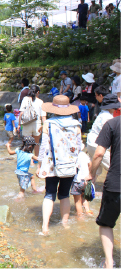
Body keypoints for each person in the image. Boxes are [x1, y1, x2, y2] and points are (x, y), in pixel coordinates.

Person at [36, 95, 82, 235]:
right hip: (69, 165)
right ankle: (65, 224)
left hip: (51, 165)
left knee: (49, 194)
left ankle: (45, 227)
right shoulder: (76, 124)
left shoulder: (48, 124)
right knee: (64, 194)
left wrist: (39, 165)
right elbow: (79, 147)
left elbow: (43, 146)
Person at [86, 113, 120, 269]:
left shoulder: (112, 124)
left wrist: (91, 174)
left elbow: (99, 153)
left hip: (116, 184)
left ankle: (108, 263)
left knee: (106, 224)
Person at [87, 94, 119, 190]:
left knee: (95, 171)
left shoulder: (102, 114)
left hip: (91, 143)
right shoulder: (109, 118)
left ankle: (87, 192)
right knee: (114, 168)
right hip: (98, 146)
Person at [19, 85, 47, 157]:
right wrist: (46, 127)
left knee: (27, 144)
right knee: (37, 143)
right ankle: (36, 159)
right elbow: (43, 117)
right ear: (38, 92)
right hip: (37, 124)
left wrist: (19, 125)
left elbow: (21, 113)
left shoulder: (25, 99)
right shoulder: (41, 102)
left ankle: (30, 161)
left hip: (26, 124)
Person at [71, 144, 93, 217]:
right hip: (85, 180)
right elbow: (90, 164)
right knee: (84, 197)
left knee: (78, 202)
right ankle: (88, 211)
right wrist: (88, 174)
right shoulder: (84, 154)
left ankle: (80, 216)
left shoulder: (73, 156)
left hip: (77, 181)